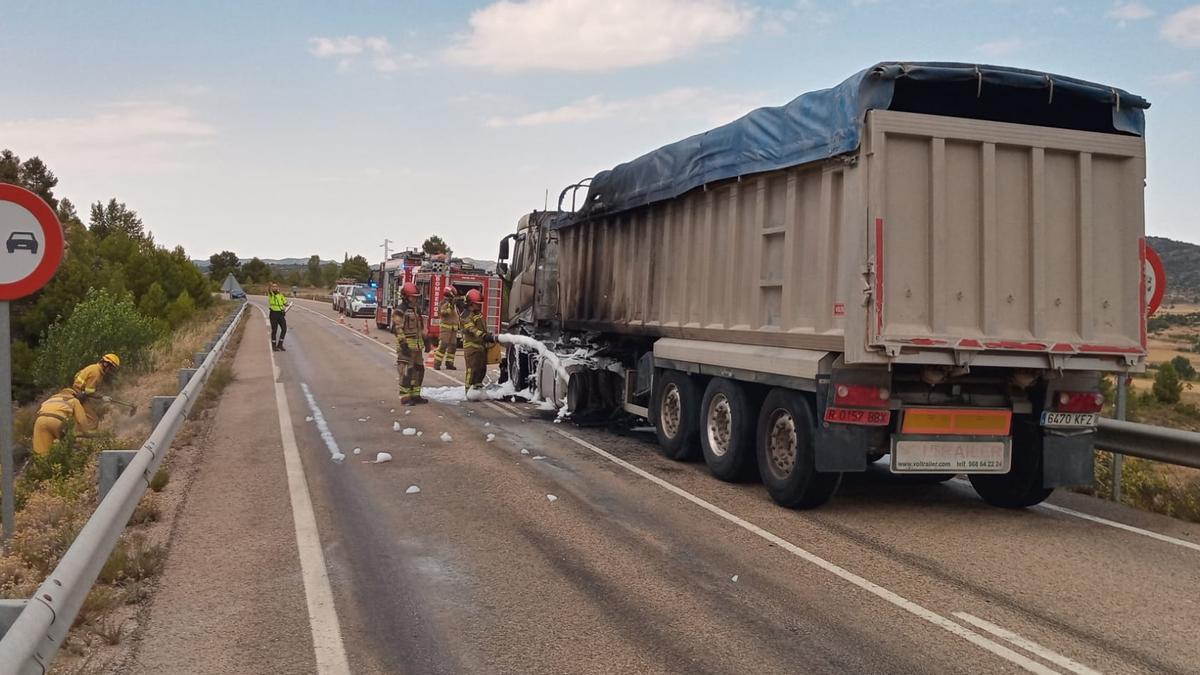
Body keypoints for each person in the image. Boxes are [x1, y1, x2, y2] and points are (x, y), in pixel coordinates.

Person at [32, 389, 98, 457]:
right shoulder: (74, 400)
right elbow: (81, 420)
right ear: (73, 395)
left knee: (42, 453)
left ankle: (43, 465)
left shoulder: (49, 400)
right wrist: (86, 432)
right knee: (67, 446)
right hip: (56, 421)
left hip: (39, 421)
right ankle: (68, 463)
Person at [396, 282, 428, 405]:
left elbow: (420, 327)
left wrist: (426, 340)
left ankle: (416, 395)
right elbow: (397, 328)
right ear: (405, 296)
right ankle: (405, 397)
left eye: (416, 297)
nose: (415, 299)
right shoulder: (400, 310)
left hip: (417, 347)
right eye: (412, 296)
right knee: (406, 372)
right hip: (407, 348)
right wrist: (403, 345)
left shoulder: (416, 309)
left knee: (419, 370)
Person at [460, 289, 494, 399]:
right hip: (471, 347)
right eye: (476, 304)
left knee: (481, 369)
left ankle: (477, 390)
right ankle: (468, 391)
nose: (479, 306)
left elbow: (482, 326)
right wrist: (483, 335)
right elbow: (470, 328)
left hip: (481, 347)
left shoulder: (478, 313)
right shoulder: (466, 315)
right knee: (472, 370)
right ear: (470, 303)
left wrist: (487, 336)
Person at [73, 353, 120, 418]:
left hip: (78, 390)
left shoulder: (94, 367)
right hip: (78, 394)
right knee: (93, 416)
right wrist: (102, 397)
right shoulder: (96, 373)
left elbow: (77, 375)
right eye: (111, 368)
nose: (110, 371)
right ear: (105, 364)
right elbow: (89, 392)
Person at [434, 285, 460, 371]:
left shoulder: (453, 304)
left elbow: (457, 315)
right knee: (443, 346)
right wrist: (450, 306)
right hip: (445, 329)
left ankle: (449, 363)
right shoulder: (443, 303)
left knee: (453, 347)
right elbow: (443, 313)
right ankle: (437, 364)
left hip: (453, 329)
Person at [268, 282, 290, 351]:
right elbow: (269, 290)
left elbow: (285, 302)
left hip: (281, 314)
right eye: (273, 287)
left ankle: (280, 344)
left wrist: (287, 304)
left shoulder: (280, 295)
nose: (274, 287)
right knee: (274, 330)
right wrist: (270, 286)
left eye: (275, 286)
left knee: (284, 329)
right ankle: (274, 346)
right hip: (273, 314)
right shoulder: (271, 294)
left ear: (278, 287)